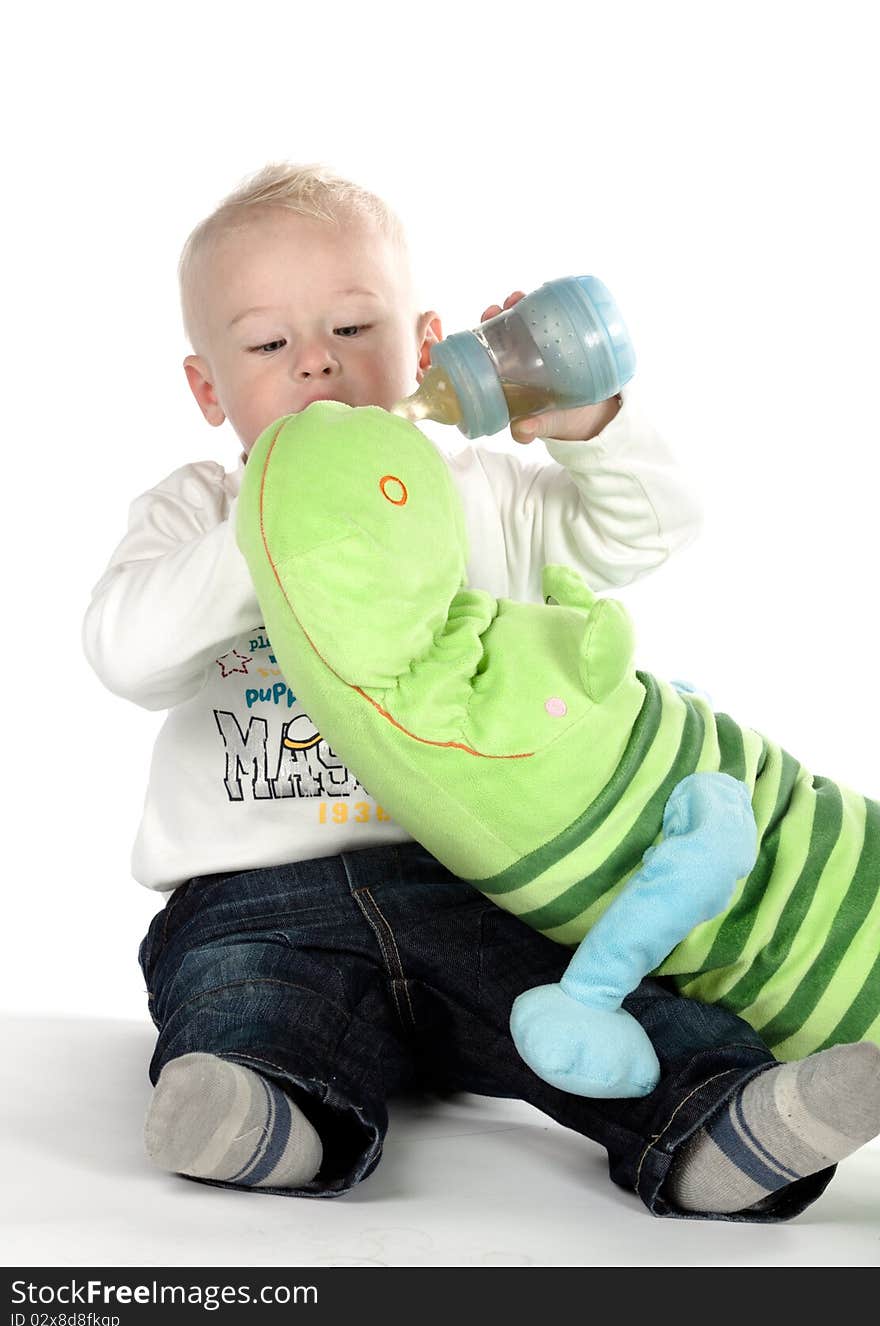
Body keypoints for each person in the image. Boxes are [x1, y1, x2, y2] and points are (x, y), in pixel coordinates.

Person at [82, 162, 880, 1220]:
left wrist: (588, 425)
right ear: (208, 388)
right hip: (255, 898)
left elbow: (644, 531)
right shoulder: (201, 511)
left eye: (352, 329)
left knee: (610, 994)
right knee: (241, 997)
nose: (315, 361)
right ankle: (261, 1111)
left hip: (477, 882)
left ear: (423, 345)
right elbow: (126, 653)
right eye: (270, 345)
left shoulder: (480, 492)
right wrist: (283, 521)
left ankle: (716, 1117)